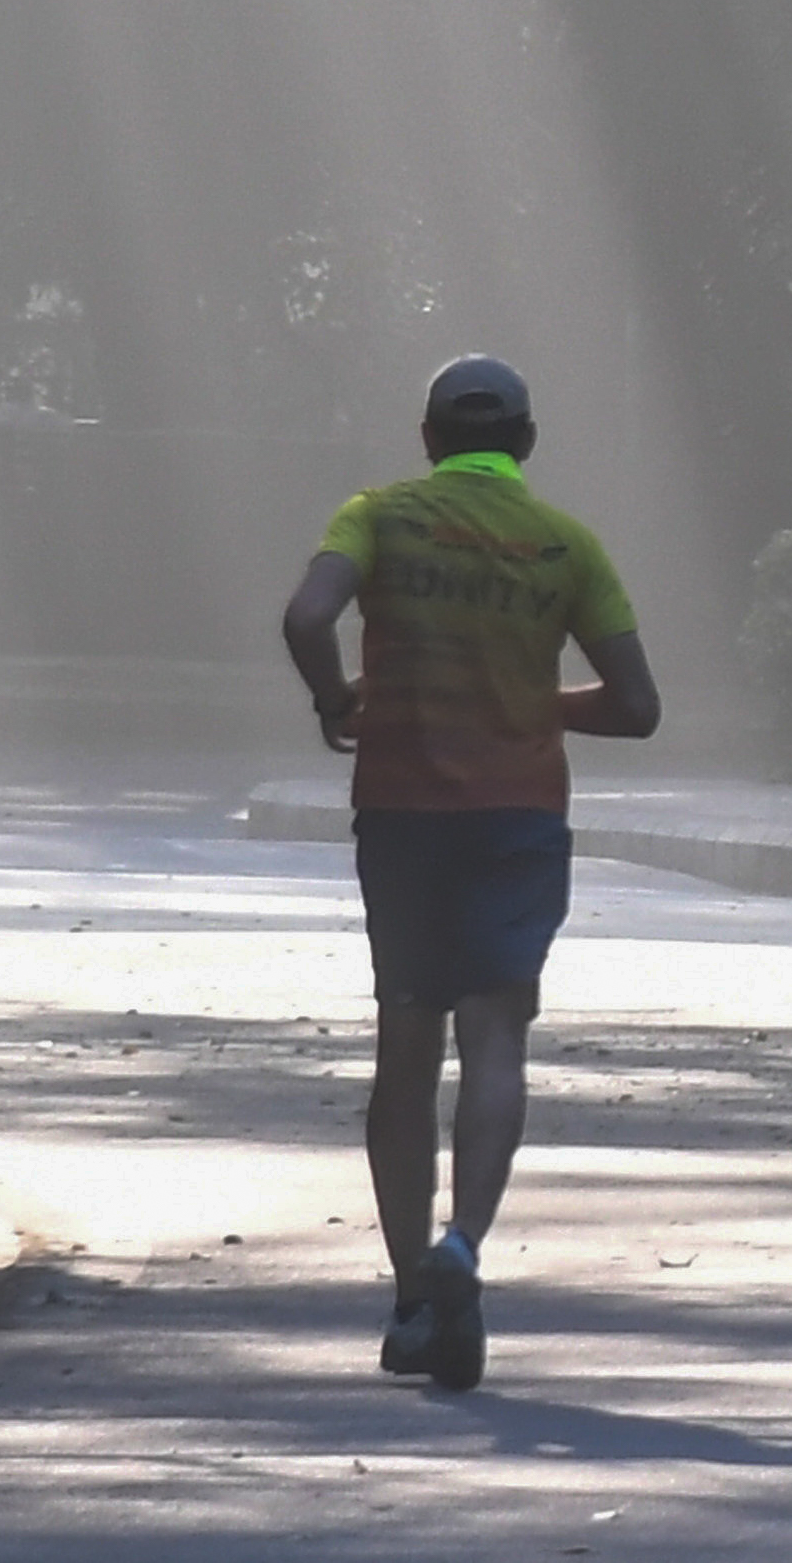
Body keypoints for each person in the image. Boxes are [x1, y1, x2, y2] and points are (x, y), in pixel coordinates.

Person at [271, 352, 661, 1394]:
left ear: (431, 437)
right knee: (496, 1034)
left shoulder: (379, 515)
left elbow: (307, 618)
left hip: (402, 815)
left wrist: (333, 700)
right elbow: (637, 704)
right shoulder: (565, 543)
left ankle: (409, 1300)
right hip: (517, 819)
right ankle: (465, 1245)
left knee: (408, 1044)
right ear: (524, 442)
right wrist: (531, 694)